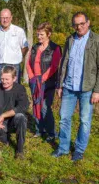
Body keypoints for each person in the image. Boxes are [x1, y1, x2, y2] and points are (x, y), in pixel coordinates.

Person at [52, 12, 99, 161]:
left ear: (88, 22)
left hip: (87, 87)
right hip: (69, 86)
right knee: (64, 118)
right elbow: (64, 63)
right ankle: (63, 148)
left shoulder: (96, 40)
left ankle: (79, 150)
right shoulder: (70, 39)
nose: (79, 27)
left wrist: (97, 90)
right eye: (76, 24)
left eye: (82, 23)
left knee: (85, 120)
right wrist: (60, 85)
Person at [26, 22, 62, 142]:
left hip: (48, 83)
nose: (39, 37)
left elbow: (54, 66)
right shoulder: (35, 47)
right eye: (38, 34)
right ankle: (39, 130)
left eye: (41, 34)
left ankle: (51, 133)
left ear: (49, 34)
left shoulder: (55, 48)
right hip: (35, 82)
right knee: (36, 105)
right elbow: (28, 63)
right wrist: (32, 77)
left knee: (45, 107)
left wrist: (43, 78)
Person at [0, 8, 28, 85]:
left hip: (14, 66)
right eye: (3, 18)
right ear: (0, 18)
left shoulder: (19, 31)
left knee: (14, 92)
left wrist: (20, 56)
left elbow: (25, 47)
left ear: (11, 17)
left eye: (7, 18)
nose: (5, 20)